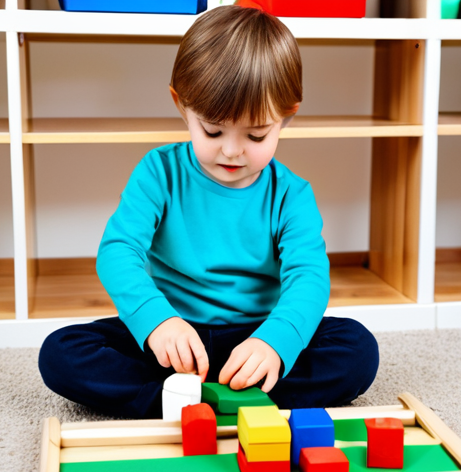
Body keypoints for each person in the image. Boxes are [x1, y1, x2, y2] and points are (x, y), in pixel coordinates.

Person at [38, 4, 379, 419]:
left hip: (256, 336)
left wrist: (275, 341)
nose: (232, 150)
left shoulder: (292, 194)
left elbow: (308, 278)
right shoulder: (158, 172)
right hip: (175, 340)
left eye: (255, 134)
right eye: (213, 130)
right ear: (182, 106)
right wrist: (157, 322)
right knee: (61, 353)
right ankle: (192, 400)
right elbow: (118, 251)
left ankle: (214, 399)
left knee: (358, 349)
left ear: (287, 116)